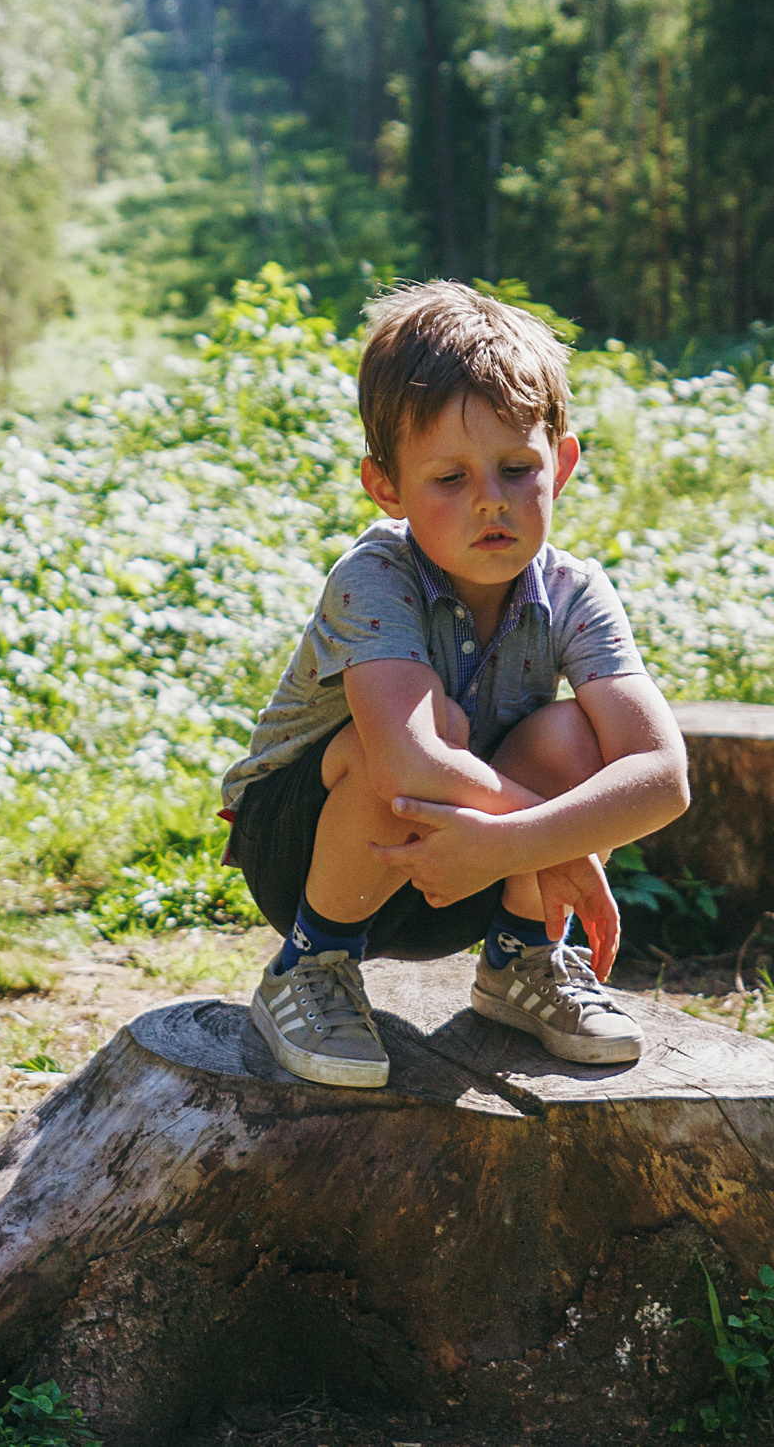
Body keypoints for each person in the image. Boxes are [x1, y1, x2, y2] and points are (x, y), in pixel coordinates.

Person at [219, 280, 692, 1088]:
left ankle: (520, 961)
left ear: (563, 463)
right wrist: (561, 842)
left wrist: (520, 845)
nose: (489, 502)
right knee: (394, 739)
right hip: (307, 852)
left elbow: (665, 777)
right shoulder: (376, 575)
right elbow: (409, 766)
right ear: (387, 486)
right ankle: (311, 965)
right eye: (449, 479)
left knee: (575, 735)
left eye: (516, 468)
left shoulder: (575, 592)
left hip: (473, 863)